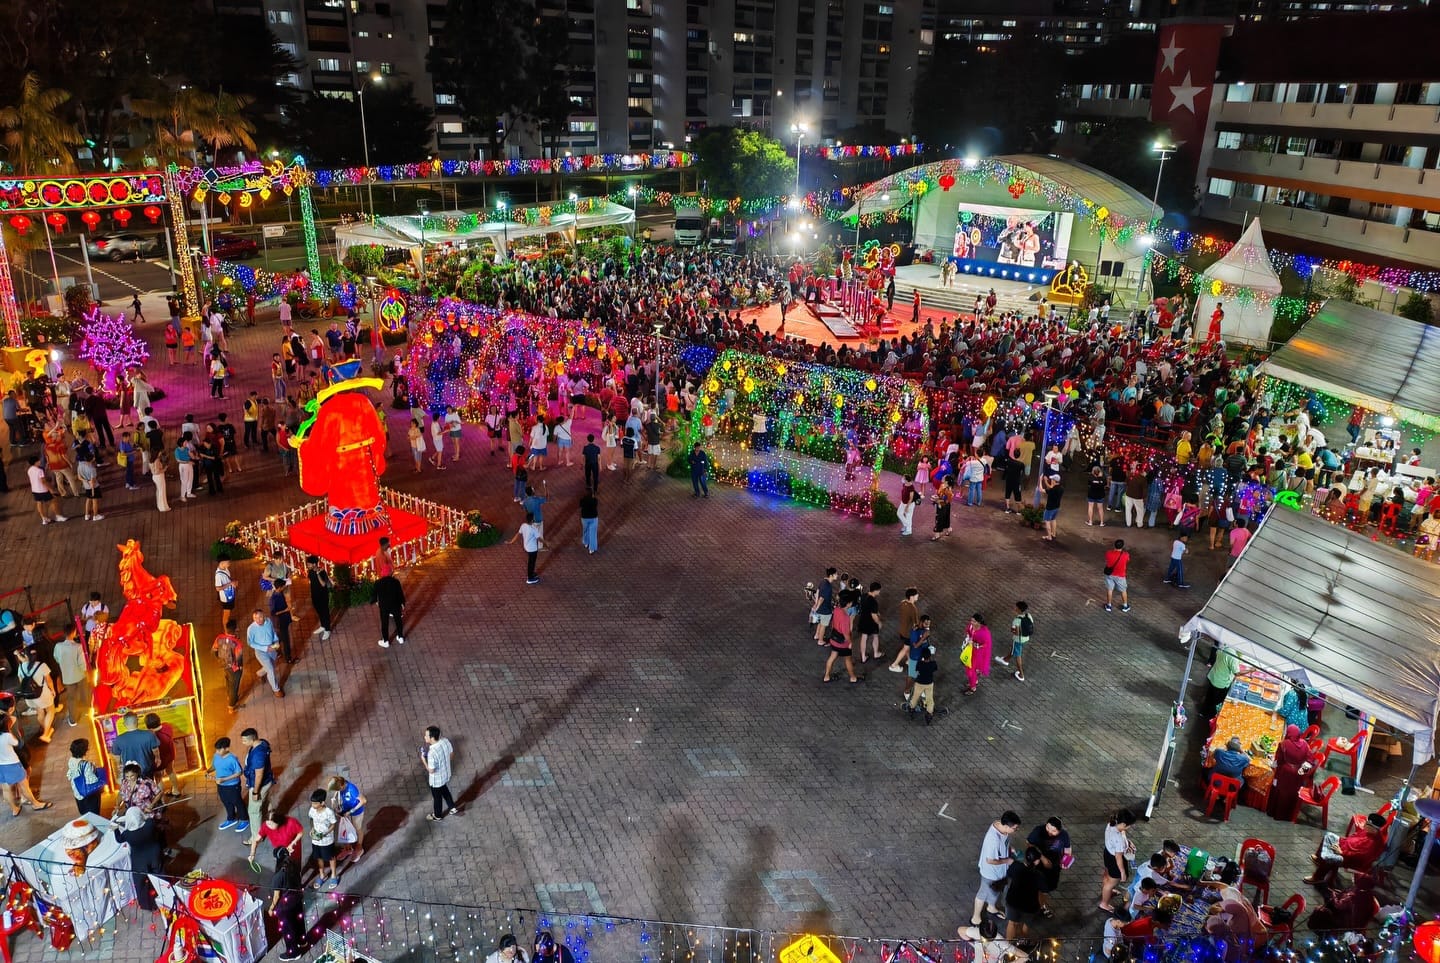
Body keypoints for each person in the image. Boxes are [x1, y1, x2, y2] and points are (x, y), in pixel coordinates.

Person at [1305, 812, 1388, 887]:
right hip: (1344, 847)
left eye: (1367, 824)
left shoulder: (1373, 844)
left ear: (1373, 829)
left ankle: (1318, 877)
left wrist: (1341, 852)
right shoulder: (1368, 831)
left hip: (1350, 860)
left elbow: (1359, 857)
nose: (1364, 824)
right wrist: (1342, 842)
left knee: (1330, 857)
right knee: (1329, 836)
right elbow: (1354, 836)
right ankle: (1319, 859)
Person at [971, 811, 1020, 925]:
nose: (1015, 830)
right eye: (1015, 828)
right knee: (983, 893)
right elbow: (990, 860)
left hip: (1001, 871)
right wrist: (1007, 860)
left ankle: (991, 907)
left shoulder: (999, 825)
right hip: (991, 872)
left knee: (997, 889)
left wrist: (1010, 848)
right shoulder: (993, 840)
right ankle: (975, 917)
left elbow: (1004, 842)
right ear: (1007, 826)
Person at [114, 806, 163, 912]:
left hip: (140, 860)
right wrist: (149, 812)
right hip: (154, 855)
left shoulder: (127, 834)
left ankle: (148, 904)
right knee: (160, 876)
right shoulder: (149, 825)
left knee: (141, 882)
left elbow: (119, 839)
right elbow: (152, 818)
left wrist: (115, 830)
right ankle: (165, 896)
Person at [0, 713, 51, 814]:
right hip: (12, 764)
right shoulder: (7, 736)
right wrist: (10, 731)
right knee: (24, 786)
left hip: (1, 766)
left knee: (6, 789)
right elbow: (17, 743)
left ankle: (14, 809)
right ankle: (35, 804)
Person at [1268, 724, 1315, 821]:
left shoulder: (1284, 744)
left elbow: (1278, 761)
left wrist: (1271, 763)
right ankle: (1288, 815)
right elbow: (1310, 760)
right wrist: (1302, 771)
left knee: (1282, 793)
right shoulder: (1305, 744)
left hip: (1285, 773)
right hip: (1298, 774)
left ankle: (1276, 814)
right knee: (1292, 793)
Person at [268, 845, 308, 961]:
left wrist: (271, 908)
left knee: (288, 929)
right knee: (299, 922)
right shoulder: (294, 865)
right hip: (297, 899)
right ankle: (303, 941)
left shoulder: (278, 876)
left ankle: (293, 952)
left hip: (285, 906)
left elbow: (276, 896)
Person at [1027, 817, 1072, 917]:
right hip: (1038, 865)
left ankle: (1041, 905)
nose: (1050, 832)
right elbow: (1029, 844)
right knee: (1037, 886)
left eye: (1054, 831)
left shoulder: (1064, 835)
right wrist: (1042, 858)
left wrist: (1066, 861)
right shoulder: (1038, 831)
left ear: (1059, 830)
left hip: (1054, 867)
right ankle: (1039, 905)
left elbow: (1067, 849)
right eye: (1048, 828)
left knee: (1047, 888)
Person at [1004, 847, 1047, 942]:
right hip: (1030, 906)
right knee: (1026, 924)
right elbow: (1043, 892)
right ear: (1036, 861)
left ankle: (1008, 946)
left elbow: (1009, 875)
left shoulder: (1016, 866)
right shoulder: (1039, 875)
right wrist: (1041, 905)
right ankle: (1022, 941)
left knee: (1012, 923)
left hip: (1013, 901)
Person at [15, 647, 57, 743]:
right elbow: (49, 680)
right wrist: (53, 690)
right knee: (50, 710)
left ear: (25, 656)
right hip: (43, 694)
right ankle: (46, 734)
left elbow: (21, 682)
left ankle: (46, 729)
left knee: (40, 712)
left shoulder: (20, 667)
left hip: (30, 696)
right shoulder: (42, 665)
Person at [241, 728, 274, 843]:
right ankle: (268, 822)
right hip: (267, 781)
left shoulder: (258, 755)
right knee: (264, 803)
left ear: (252, 739)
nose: (243, 743)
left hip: (260, 785)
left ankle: (256, 837)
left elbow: (259, 774)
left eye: (244, 741)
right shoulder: (262, 743)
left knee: (254, 811)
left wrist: (255, 792)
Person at [1099, 809, 1135, 913]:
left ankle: (1108, 890)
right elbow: (1119, 857)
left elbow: (1121, 833)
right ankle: (1104, 903)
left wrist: (1127, 842)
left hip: (1108, 853)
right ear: (1123, 824)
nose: (1129, 827)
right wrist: (1122, 872)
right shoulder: (1118, 838)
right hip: (1115, 860)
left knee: (1107, 875)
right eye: (1129, 825)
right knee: (1110, 883)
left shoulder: (1111, 824)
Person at [307, 788, 341, 889]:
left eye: (315, 803)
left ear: (322, 803)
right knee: (319, 857)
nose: (313, 805)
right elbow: (311, 819)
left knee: (330, 857)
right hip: (315, 840)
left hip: (327, 840)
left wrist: (325, 833)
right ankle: (322, 875)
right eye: (312, 803)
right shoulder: (312, 809)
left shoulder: (328, 812)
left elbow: (333, 824)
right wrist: (312, 829)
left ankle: (333, 875)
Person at [423, 725, 458, 821]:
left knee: (437, 798)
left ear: (432, 738)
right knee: (444, 789)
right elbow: (451, 754)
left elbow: (431, 770)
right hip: (446, 774)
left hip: (436, 780)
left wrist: (423, 760)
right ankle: (452, 807)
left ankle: (437, 815)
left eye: (426, 736)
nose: (424, 737)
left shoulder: (432, 753)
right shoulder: (445, 741)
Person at [246, 609, 284, 698]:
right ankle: (276, 690)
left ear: (264, 616)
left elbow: (273, 632)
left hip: (272, 649)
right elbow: (250, 643)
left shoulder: (268, 621)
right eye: (255, 618)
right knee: (270, 670)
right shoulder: (251, 629)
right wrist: (265, 648)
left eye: (260, 617)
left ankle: (259, 674)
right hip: (261, 652)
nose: (258, 620)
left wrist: (276, 640)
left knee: (271, 666)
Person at [210, 736, 246, 830]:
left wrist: (224, 779)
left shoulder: (232, 759)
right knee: (226, 802)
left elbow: (239, 772)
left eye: (219, 750)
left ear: (226, 749)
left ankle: (244, 819)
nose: (217, 752)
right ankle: (231, 818)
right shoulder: (216, 755)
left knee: (237, 802)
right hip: (221, 786)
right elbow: (214, 766)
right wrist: (208, 771)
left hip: (232, 786)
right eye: (216, 750)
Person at [328, 774, 368, 858]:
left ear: (342, 785)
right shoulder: (341, 786)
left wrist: (351, 811)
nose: (337, 790)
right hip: (345, 811)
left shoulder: (352, 789)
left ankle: (359, 847)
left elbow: (364, 800)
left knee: (357, 829)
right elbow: (338, 791)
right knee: (346, 829)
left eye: (338, 789)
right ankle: (348, 849)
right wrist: (334, 798)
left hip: (356, 813)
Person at [111, 710, 159, 776]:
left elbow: (116, 756)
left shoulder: (118, 739)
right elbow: (155, 750)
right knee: (149, 785)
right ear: (137, 722)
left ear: (124, 724)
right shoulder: (149, 734)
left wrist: (119, 764)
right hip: (147, 770)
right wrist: (158, 758)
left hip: (130, 773)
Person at [145, 711, 181, 797]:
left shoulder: (150, 736)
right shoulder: (167, 726)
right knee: (171, 771)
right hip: (170, 754)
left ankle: (161, 800)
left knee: (158, 777)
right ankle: (176, 791)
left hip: (159, 759)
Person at [996, 601, 1032, 683]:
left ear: (1019, 609)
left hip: (1018, 640)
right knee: (1013, 649)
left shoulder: (1016, 620)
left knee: (1018, 656)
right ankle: (1005, 660)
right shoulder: (1029, 615)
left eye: (1016, 607)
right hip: (1025, 638)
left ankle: (1021, 675)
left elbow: (1014, 631)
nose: (1014, 608)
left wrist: (1013, 630)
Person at [67, 739, 106, 815]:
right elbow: (92, 780)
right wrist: (94, 768)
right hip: (88, 795)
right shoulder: (86, 764)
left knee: (84, 814)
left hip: (78, 793)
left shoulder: (71, 760)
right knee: (93, 815)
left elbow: (70, 774)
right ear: (84, 750)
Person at [508, 513, 544, 585]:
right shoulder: (533, 529)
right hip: (532, 549)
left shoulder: (523, 525)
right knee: (531, 563)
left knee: (531, 562)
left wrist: (511, 542)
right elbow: (539, 539)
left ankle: (531, 574)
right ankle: (530, 578)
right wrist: (546, 543)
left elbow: (518, 534)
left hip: (527, 547)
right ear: (532, 520)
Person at [907, 639, 938, 722]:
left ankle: (911, 709)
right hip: (929, 683)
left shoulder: (920, 664)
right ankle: (929, 713)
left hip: (919, 683)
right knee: (929, 699)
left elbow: (917, 670)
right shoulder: (933, 664)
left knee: (915, 697)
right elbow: (935, 669)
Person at [306, 556, 334, 641]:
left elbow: (323, 584)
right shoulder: (310, 571)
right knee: (319, 611)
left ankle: (327, 630)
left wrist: (318, 574)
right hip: (315, 595)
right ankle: (322, 626)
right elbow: (311, 580)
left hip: (323, 596)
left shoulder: (322, 572)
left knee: (325, 612)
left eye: (309, 564)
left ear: (314, 564)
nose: (308, 565)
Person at [963, 613, 993, 695]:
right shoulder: (971, 626)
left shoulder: (984, 633)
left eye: (974, 621)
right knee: (971, 669)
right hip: (971, 651)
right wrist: (968, 639)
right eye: (971, 620)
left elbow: (986, 644)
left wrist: (974, 644)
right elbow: (968, 632)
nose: (971, 622)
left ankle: (973, 687)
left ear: (979, 622)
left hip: (977, 653)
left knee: (970, 670)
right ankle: (974, 681)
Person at [376, 572, 407, 647]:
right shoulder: (396, 582)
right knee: (398, 620)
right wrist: (402, 603)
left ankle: (385, 641)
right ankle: (400, 637)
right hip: (395, 605)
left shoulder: (379, 582)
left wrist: (377, 602)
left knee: (384, 623)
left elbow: (375, 595)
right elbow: (400, 593)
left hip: (384, 606)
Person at [1104, 540, 1131, 613]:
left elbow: (1107, 560)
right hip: (1120, 576)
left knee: (1110, 590)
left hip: (1110, 574)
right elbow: (1127, 560)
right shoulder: (1126, 555)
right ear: (1122, 546)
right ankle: (1125, 606)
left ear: (1114, 545)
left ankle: (1109, 605)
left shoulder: (1108, 553)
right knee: (1123, 590)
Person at [579, 490, 599, 555]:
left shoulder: (582, 500)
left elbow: (580, 506)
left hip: (584, 518)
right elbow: (596, 505)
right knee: (593, 533)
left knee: (585, 530)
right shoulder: (594, 500)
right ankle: (591, 549)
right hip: (593, 518)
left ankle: (586, 542)